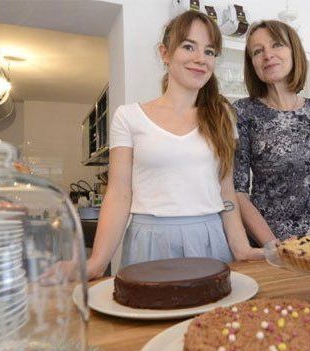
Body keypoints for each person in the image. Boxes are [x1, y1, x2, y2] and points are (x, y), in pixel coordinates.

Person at [86, 11, 262, 280]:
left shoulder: (223, 116)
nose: (200, 59)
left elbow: (226, 193)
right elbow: (119, 193)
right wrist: (97, 263)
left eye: (210, 51)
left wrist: (241, 247)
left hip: (210, 238)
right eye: (188, 46)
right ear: (165, 53)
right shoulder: (128, 116)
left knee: (210, 320)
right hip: (149, 241)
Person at [233, 20, 310, 245]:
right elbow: (237, 191)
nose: (268, 55)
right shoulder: (243, 112)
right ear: (253, 64)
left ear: (294, 51)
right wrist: (273, 247)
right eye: (258, 51)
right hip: (272, 246)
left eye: (276, 45)